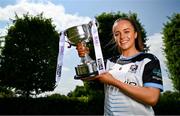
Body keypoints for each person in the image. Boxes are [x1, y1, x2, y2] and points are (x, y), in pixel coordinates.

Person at [76, 17, 163, 115]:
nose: (122, 37)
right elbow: (87, 76)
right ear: (114, 38)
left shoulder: (148, 60)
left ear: (135, 34)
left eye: (126, 31)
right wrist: (85, 56)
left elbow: (152, 98)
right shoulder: (108, 63)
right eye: (117, 34)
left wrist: (114, 82)